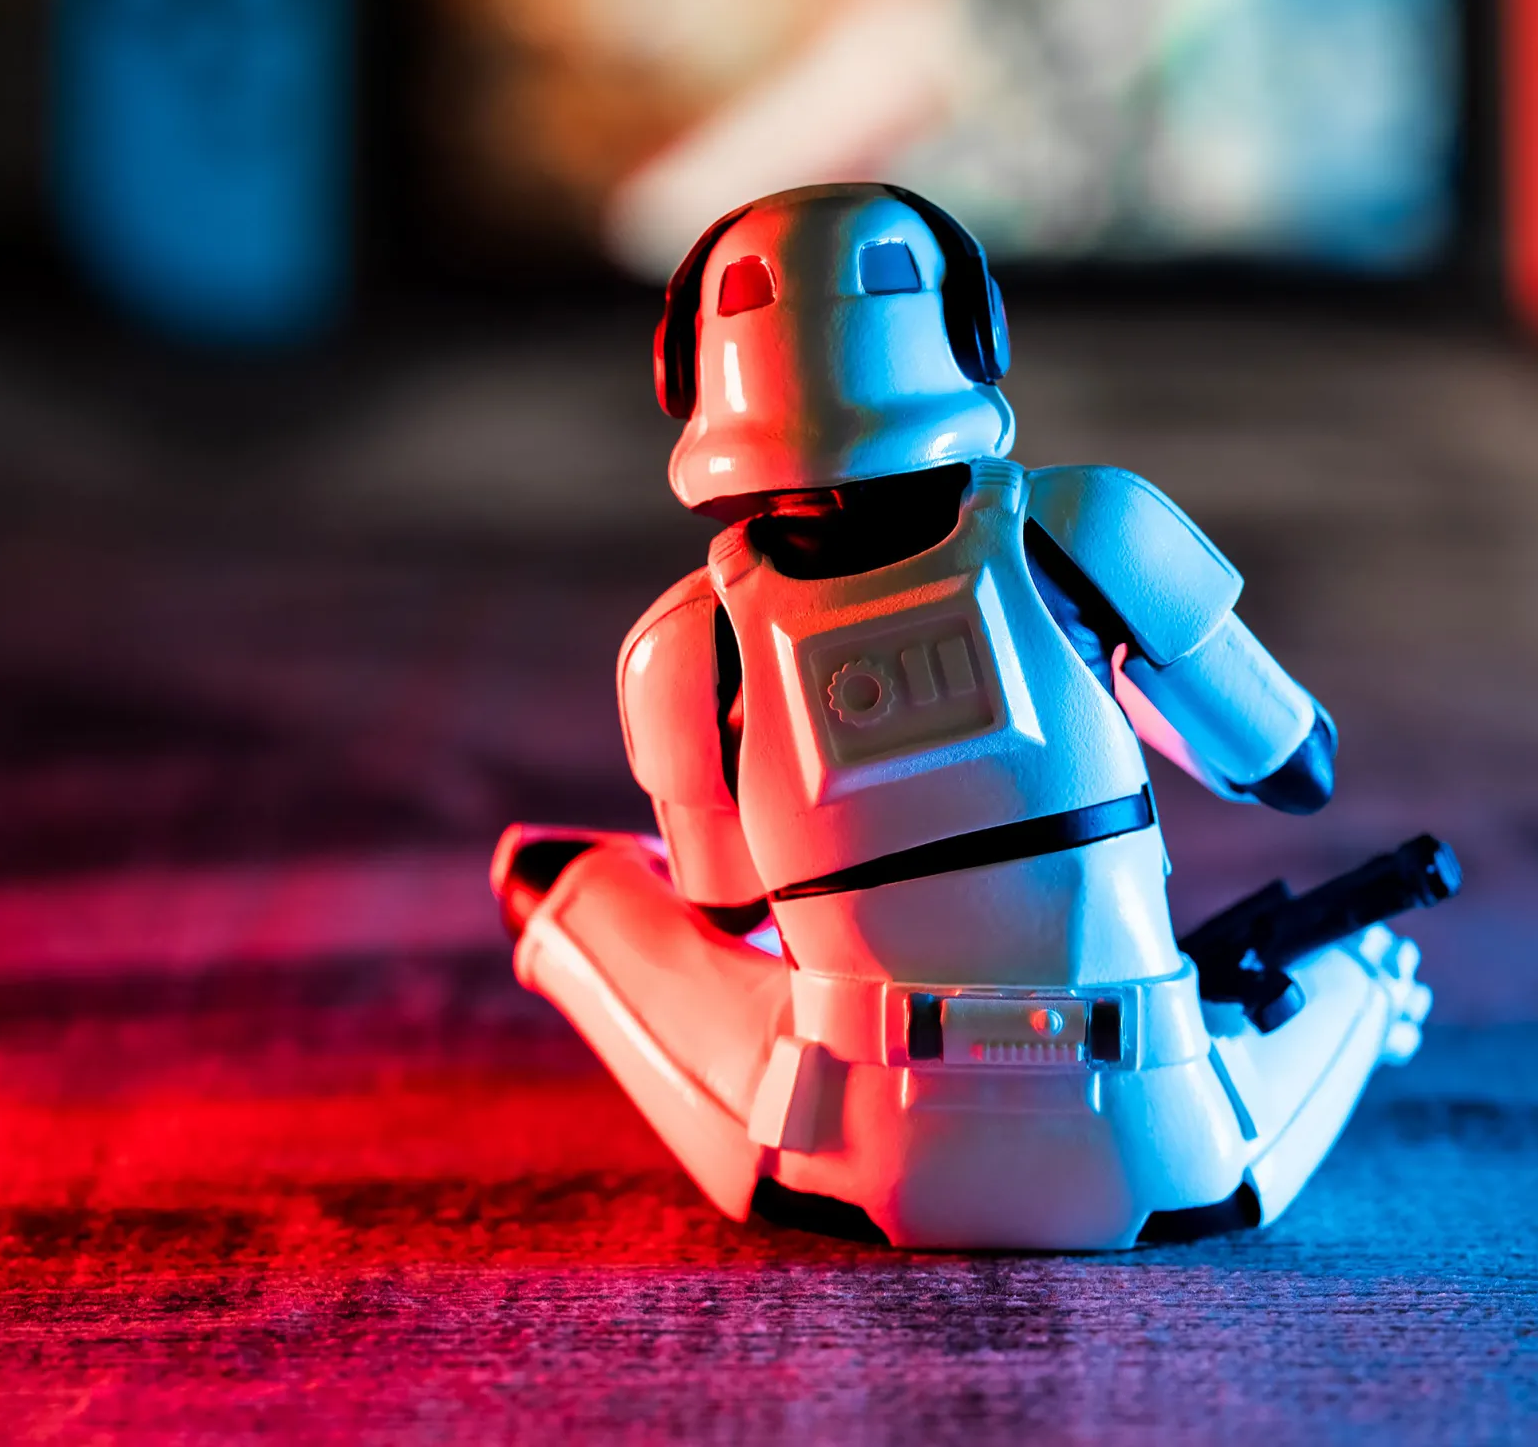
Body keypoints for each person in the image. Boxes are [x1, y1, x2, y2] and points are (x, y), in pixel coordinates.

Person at [492, 182, 1447, 1249]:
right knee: (1364, 961)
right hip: (1167, 1152)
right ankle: (1360, 1001)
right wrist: (1104, 677)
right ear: (970, 331)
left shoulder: (683, 644)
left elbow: (726, 917)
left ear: (687, 370)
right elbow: (1294, 766)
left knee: (559, 876)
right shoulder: (1091, 529)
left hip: (837, 1161)